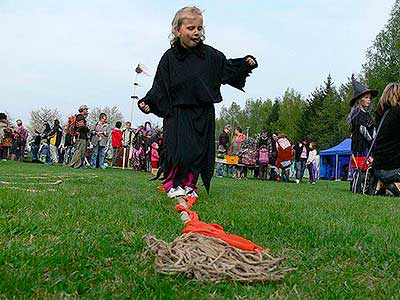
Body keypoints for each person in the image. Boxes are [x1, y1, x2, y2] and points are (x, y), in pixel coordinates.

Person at [137, 6, 257, 198]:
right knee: (178, 151)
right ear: (178, 30)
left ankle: (190, 185)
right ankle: (173, 184)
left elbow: (226, 69)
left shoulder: (210, 56)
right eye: (191, 28)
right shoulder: (170, 58)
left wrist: (244, 64)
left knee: (197, 152)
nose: (196, 32)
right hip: (177, 112)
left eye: (199, 28)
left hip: (203, 112)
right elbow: (159, 85)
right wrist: (148, 102)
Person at [373, 83, 400, 196]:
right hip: (394, 169)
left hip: (378, 168)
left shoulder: (380, 115)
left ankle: (382, 185)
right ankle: (396, 186)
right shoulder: (398, 113)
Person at [348, 75, 378, 157]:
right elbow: (363, 130)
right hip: (361, 148)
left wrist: (374, 141)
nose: (369, 99)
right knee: (361, 167)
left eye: (370, 98)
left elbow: (373, 128)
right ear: (359, 99)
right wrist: (372, 141)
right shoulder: (356, 114)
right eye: (366, 97)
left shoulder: (368, 114)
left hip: (370, 147)